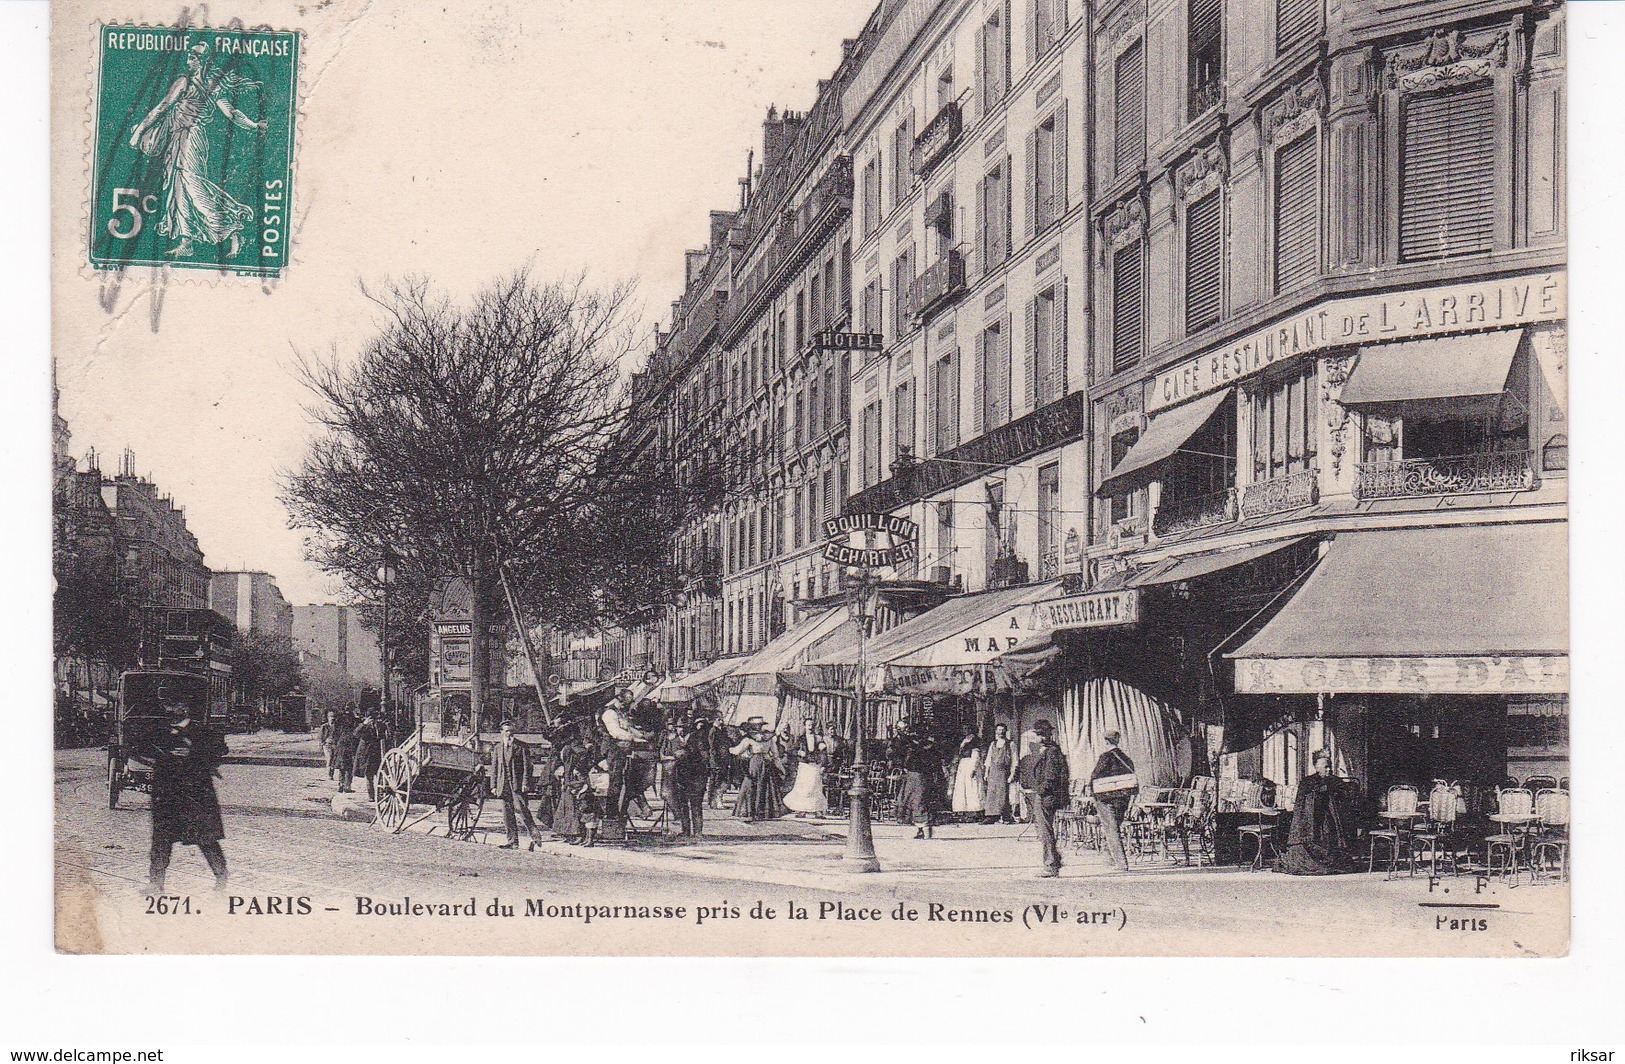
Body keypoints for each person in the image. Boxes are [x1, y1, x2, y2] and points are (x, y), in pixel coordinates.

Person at [127, 42, 266, 260]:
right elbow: (231, 113)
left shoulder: (191, 83)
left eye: (193, 56)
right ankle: (187, 241)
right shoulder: (206, 84)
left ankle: (232, 228)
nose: (188, 60)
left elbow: (162, 108)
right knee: (179, 189)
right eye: (189, 55)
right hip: (182, 138)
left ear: (203, 61)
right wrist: (254, 125)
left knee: (193, 187)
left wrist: (138, 133)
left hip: (190, 138)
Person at [144, 701, 230, 893]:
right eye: (169, 707)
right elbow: (143, 748)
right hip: (166, 796)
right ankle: (155, 882)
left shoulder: (201, 732)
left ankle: (221, 874)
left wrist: (193, 753)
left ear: (185, 709)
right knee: (161, 839)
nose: (171, 710)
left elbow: (220, 751)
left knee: (205, 838)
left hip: (195, 796)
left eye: (176, 706)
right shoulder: (161, 731)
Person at [1280, 750, 1358, 875]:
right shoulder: (1307, 782)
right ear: (1316, 767)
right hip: (1312, 823)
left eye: (1329, 767)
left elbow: (1346, 796)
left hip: (1331, 822)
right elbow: (1302, 808)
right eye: (1325, 767)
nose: (1329, 770)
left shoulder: (1335, 781)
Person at [1017, 719, 1071, 877]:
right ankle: (1054, 859)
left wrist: (1039, 790)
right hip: (1046, 795)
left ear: (1041, 735)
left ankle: (1050, 865)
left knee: (1044, 830)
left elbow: (1050, 777)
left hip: (1047, 796)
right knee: (1044, 829)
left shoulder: (1051, 752)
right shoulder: (1049, 750)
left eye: (1036, 734)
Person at [1089, 728, 1137, 872]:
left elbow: (1095, 775)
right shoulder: (1126, 758)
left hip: (1106, 798)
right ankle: (1109, 858)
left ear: (1105, 741)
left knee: (1111, 830)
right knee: (1114, 826)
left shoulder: (1105, 757)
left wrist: (1092, 792)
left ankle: (1121, 863)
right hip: (1123, 798)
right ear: (1118, 740)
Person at [489, 720, 539, 850]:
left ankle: (535, 838)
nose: (509, 734)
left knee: (522, 810)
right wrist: (493, 786)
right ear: (501, 732)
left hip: (517, 784)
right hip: (503, 784)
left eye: (511, 731)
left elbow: (528, 767)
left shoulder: (521, 747)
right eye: (506, 731)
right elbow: (494, 768)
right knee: (507, 814)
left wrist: (525, 783)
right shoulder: (498, 748)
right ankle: (512, 841)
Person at [894, 730, 944, 839]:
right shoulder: (928, 747)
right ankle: (923, 830)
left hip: (917, 777)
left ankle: (924, 830)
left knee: (917, 802)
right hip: (922, 777)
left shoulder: (914, 748)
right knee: (920, 802)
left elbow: (905, 760)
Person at [731, 722, 785, 822]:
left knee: (751, 784)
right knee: (764, 785)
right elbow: (775, 754)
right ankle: (762, 812)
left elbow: (737, 751)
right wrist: (779, 767)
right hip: (765, 762)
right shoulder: (769, 739)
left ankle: (750, 812)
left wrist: (729, 749)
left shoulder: (749, 739)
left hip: (755, 763)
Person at [669, 719, 711, 837]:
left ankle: (698, 832)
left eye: (684, 727)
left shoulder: (697, 739)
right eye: (679, 727)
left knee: (696, 805)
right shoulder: (673, 741)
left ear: (688, 728)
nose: (681, 729)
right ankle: (686, 831)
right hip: (681, 777)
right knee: (683, 805)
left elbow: (705, 756)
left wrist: (687, 754)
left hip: (696, 777)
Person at [784, 729, 830, 816]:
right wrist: (799, 752)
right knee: (803, 788)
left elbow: (824, 753)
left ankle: (818, 810)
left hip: (815, 765)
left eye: (812, 725)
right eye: (808, 725)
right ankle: (802, 810)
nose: (810, 727)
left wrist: (823, 765)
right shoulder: (801, 739)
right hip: (804, 765)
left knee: (815, 787)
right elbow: (792, 750)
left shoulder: (818, 738)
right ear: (805, 726)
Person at [981, 723, 1017, 824]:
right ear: (996, 731)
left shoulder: (1011, 744)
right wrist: (986, 773)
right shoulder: (993, 744)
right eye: (999, 730)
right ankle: (991, 816)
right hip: (993, 772)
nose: (1000, 732)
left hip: (1004, 772)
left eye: (1002, 730)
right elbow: (988, 759)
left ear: (1006, 731)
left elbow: (1014, 760)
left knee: (1003, 795)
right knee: (991, 794)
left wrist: (1012, 774)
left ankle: (1005, 816)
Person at [353, 712, 386, 801]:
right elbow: (356, 734)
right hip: (366, 754)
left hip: (377, 753)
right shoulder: (363, 726)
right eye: (371, 719)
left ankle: (380, 794)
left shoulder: (380, 725)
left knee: (379, 774)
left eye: (375, 719)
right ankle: (371, 796)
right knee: (369, 776)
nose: (373, 721)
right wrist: (364, 724)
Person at [950, 734, 983, 819]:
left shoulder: (974, 747)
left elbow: (976, 758)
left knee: (971, 788)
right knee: (962, 788)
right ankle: (962, 809)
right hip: (963, 767)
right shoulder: (963, 745)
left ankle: (974, 810)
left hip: (970, 766)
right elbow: (959, 754)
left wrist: (973, 769)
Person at [333, 711, 358, 793]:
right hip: (348, 749)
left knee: (342, 768)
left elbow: (335, 736)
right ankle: (347, 786)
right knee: (348, 768)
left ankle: (341, 785)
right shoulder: (351, 728)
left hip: (340, 748)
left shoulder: (340, 726)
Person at [318, 710, 338, 780]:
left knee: (334, 760)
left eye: (333, 716)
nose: (332, 718)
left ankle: (331, 774)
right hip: (327, 745)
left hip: (335, 745)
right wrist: (321, 744)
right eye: (330, 716)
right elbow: (320, 736)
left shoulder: (337, 726)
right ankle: (329, 774)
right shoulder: (324, 726)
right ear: (328, 717)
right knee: (329, 758)